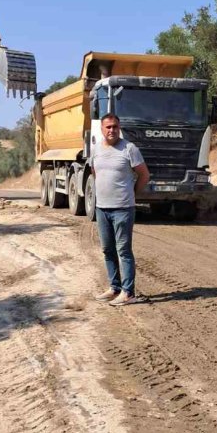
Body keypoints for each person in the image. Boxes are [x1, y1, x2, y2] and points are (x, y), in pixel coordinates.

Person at [90, 113, 150, 306]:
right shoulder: (96, 149)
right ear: (101, 129)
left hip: (123, 208)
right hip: (102, 208)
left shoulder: (129, 149)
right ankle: (114, 287)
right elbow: (95, 172)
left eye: (115, 126)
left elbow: (144, 175)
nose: (112, 130)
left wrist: (132, 193)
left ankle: (128, 293)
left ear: (119, 128)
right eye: (108, 127)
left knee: (123, 250)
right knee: (108, 249)